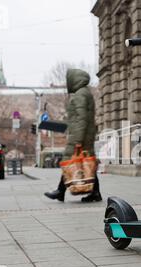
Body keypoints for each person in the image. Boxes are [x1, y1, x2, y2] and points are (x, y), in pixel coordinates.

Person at [44, 69, 102, 203]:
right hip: (84, 134)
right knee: (86, 163)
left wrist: (78, 139)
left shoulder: (80, 95)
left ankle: (60, 191)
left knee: (70, 162)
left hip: (80, 135)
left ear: (74, 80)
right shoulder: (84, 93)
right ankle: (95, 193)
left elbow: (81, 119)